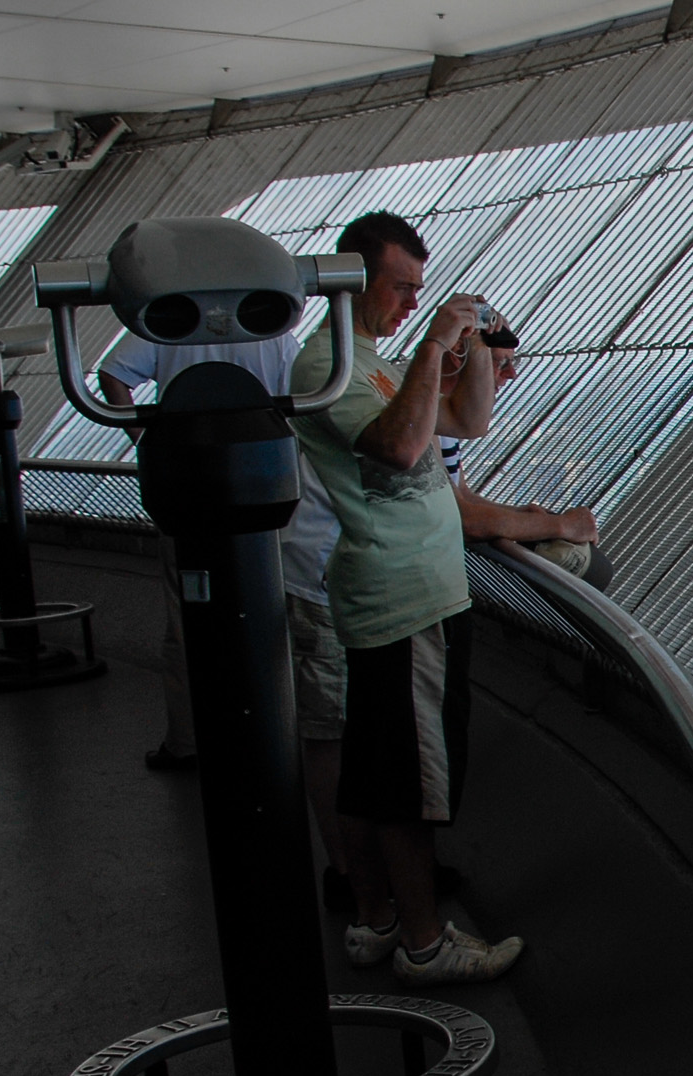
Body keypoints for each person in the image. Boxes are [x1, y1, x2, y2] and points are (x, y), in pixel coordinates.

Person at [289, 210, 519, 985]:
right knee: (407, 786)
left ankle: (377, 917)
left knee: (379, 770)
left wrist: (476, 349)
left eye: (420, 291)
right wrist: (431, 348)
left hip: (409, 593)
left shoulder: (375, 363)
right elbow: (399, 447)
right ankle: (423, 942)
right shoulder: (331, 368)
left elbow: (467, 421)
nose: (410, 305)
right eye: (400, 288)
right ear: (352, 277)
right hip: (400, 597)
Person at [97, 329, 308, 772]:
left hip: (188, 488)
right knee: (265, 607)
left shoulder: (166, 327)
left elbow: (113, 374)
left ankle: (188, 740)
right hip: (259, 490)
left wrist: (146, 440)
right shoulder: (273, 334)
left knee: (187, 618)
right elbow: (299, 399)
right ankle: (271, 728)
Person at [437, 329, 611, 586]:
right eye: (501, 362)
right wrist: (560, 526)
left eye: (513, 362)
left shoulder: (442, 420)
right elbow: (463, 519)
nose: (511, 374)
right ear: (457, 356)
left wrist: (527, 518)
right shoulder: (424, 418)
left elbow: (461, 494)